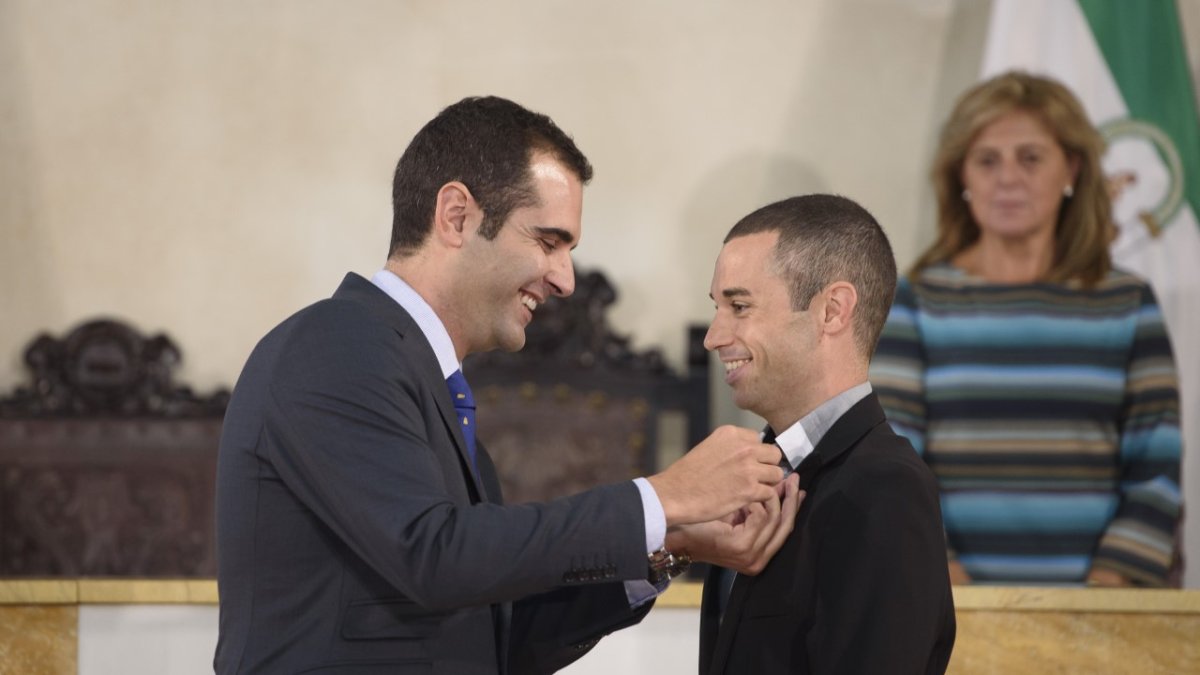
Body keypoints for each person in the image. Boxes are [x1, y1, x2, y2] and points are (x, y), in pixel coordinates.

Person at [214, 96, 801, 674]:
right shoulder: (333, 344)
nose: (566, 279)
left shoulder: (433, 396)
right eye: (548, 242)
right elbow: (433, 555)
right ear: (456, 216)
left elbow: (497, 642)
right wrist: (663, 496)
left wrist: (674, 544)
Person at [869, 71, 1183, 587]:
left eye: (1030, 157)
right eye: (987, 160)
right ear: (961, 176)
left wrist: (1105, 592)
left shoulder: (1127, 301)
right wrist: (944, 581)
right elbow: (894, 460)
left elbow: (1156, 465)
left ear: (1073, 169)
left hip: (1102, 614)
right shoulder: (918, 299)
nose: (1007, 178)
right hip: (948, 607)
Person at [675, 194, 956, 674]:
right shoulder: (752, 475)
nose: (713, 336)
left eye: (739, 306)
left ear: (832, 311)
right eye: (717, 306)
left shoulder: (886, 488)